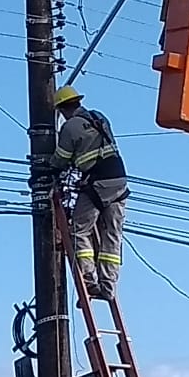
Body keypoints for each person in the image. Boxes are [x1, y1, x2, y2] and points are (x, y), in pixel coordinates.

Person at [46, 85, 128, 302]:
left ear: (62, 109)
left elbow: (61, 158)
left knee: (78, 231)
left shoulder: (70, 127)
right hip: (119, 181)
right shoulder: (99, 118)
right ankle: (108, 287)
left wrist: (49, 167)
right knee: (112, 235)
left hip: (96, 184)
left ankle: (88, 282)